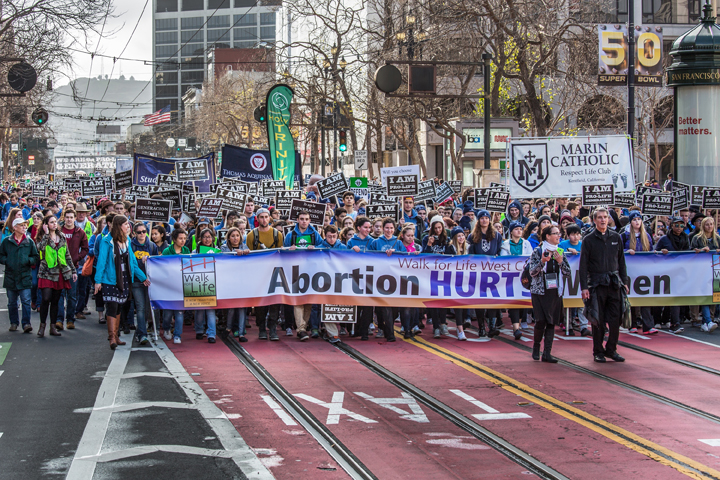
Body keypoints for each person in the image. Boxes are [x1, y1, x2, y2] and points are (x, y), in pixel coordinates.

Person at [580, 207, 629, 363]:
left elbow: (621, 261)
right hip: (596, 284)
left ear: (609, 219)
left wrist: (624, 281)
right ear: (594, 220)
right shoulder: (588, 239)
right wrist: (584, 287)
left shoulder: (616, 237)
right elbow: (583, 266)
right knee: (598, 320)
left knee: (616, 319)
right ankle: (598, 351)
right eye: (599, 217)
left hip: (614, 284)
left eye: (605, 217)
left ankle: (611, 349)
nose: (602, 220)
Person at [94, 215, 149, 349]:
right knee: (112, 307)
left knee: (119, 306)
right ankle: (111, 337)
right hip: (111, 279)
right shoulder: (107, 241)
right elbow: (101, 262)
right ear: (119, 226)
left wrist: (143, 278)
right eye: (125, 224)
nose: (128, 227)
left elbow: (133, 263)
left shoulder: (127, 241)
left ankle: (116, 335)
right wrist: (98, 281)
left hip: (124, 278)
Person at [527, 225, 571, 362]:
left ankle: (547, 352)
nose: (559, 236)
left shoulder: (560, 251)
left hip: (554, 291)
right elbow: (532, 272)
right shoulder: (538, 250)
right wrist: (542, 262)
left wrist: (560, 262)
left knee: (551, 322)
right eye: (555, 233)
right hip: (540, 291)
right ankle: (536, 347)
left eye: (559, 233)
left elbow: (568, 273)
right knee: (540, 321)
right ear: (547, 236)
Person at [36, 214, 77, 338]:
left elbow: (67, 255)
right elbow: (40, 249)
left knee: (55, 300)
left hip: (59, 272)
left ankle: (53, 326)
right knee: (46, 298)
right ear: (46, 225)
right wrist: (46, 234)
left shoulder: (62, 236)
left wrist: (73, 271)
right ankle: (42, 325)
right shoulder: (43, 237)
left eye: (55, 222)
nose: (54, 224)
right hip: (47, 272)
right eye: (51, 222)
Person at [246, 208, 284, 340]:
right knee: (261, 303)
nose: (264, 219)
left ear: (269, 218)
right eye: (261, 217)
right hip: (259, 274)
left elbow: (281, 254)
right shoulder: (251, 235)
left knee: (275, 302)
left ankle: (272, 328)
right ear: (257, 218)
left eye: (266, 217)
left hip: (274, 273)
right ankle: (261, 327)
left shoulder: (277, 235)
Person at [621, 211, 658, 335]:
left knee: (644, 297)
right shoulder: (625, 235)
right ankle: (632, 324)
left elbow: (650, 249)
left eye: (639, 219)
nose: (637, 222)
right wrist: (627, 250)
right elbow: (619, 251)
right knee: (631, 297)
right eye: (634, 219)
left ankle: (648, 325)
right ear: (630, 222)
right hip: (630, 270)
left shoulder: (646, 235)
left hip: (644, 270)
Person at [0, 218, 39, 334]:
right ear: (15, 227)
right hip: (10, 276)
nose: (24, 227)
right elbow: (1, 256)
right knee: (12, 302)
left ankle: (26, 323)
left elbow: (35, 256)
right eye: (21, 225)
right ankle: (14, 322)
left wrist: (28, 260)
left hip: (25, 275)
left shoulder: (29, 241)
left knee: (26, 301)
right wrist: (7, 261)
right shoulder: (7, 241)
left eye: (25, 225)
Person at [468, 210, 503, 337]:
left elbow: (499, 251)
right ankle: (481, 326)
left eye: (486, 218)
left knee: (492, 299)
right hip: (478, 271)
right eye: (482, 218)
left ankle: (492, 326)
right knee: (480, 300)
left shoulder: (497, 235)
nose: (484, 220)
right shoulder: (472, 236)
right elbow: (470, 254)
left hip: (492, 271)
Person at [422, 215, 457, 338]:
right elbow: (424, 256)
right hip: (431, 275)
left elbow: (453, 255)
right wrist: (430, 245)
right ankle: (436, 326)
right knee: (433, 302)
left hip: (444, 274)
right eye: (435, 228)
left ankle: (443, 324)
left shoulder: (447, 239)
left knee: (443, 301)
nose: (438, 230)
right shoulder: (426, 238)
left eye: (439, 227)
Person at [56, 209, 89, 331]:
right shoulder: (58, 231)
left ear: (74, 218)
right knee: (59, 295)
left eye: (71, 217)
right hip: (59, 268)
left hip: (72, 268)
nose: (69, 219)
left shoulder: (79, 232)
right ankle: (59, 320)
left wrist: (77, 257)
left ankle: (70, 319)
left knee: (72, 296)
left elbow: (85, 248)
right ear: (64, 218)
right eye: (67, 217)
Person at [501, 221, 534, 340]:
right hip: (511, 278)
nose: (519, 231)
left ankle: (518, 325)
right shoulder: (505, 244)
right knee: (514, 302)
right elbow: (503, 259)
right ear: (511, 232)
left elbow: (530, 258)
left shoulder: (526, 243)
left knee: (522, 302)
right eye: (516, 229)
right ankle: (516, 328)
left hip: (523, 278)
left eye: (520, 229)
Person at [130, 222, 159, 345]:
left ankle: (142, 329)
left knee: (147, 308)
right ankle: (142, 334)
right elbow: (131, 264)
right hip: (137, 281)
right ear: (134, 233)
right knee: (140, 307)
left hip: (149, 281)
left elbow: (158, 263)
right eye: (139, 232)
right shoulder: (130, 245)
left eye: (144, 231)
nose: (142, 234)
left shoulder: (152, 246)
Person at [690, 216, 720, 333]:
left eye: (711, 224)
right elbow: (691, 252)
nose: (709, 227)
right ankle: (708, 321)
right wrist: (700, 250)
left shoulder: (717, 238)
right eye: (707, 224)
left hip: (716, 269)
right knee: (704, 294)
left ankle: (707, 321)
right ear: (703, 226)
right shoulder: (697, 238)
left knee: (714, 295)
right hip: (702, 270)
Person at [161, 228, 190, 343]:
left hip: (182, 287)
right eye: (180, 239)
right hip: (169, 287)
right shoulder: (167, 251)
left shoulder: (186, 250)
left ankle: (177, 334)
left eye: (184, 238)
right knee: (167, 313)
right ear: (174, 239)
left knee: (179, 312)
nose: (183, 241)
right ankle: (167, 329)